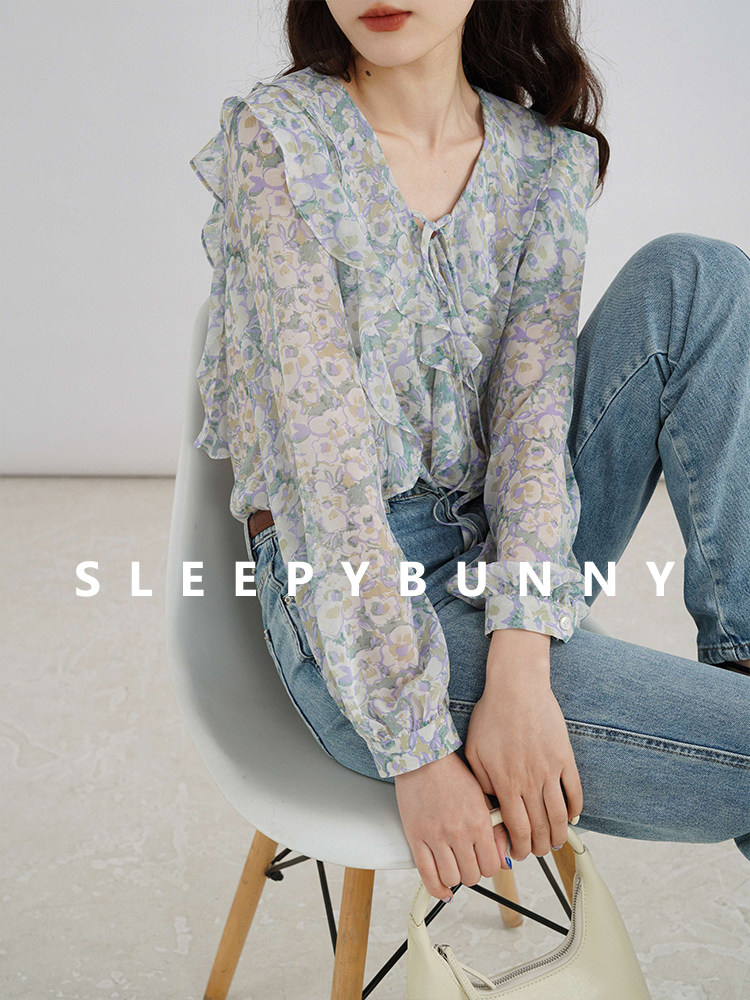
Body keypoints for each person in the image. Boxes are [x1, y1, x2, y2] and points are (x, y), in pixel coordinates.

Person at [189, 0, 750, 908]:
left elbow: (532, 426)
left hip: (509, 543)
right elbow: (327, 485)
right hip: (358, 598)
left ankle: (740, 671)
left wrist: (520, 670)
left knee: (699, 279)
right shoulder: (283, 141)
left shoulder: (539, 161)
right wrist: (417, 750)